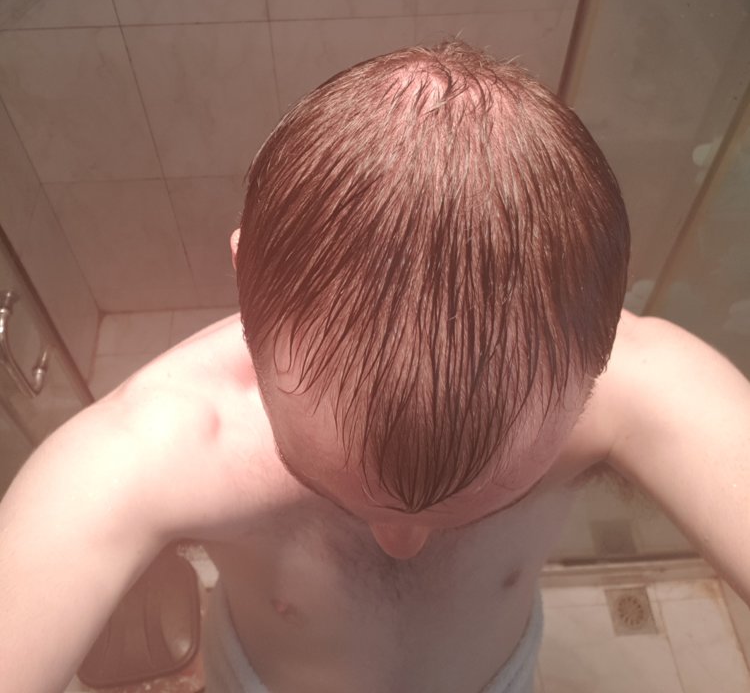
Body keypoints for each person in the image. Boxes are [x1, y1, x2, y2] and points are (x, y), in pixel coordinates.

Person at [1, 40, 748, 693]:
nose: (402, 543)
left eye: (477, 503)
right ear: (245, 283)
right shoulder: (163, 443)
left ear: (598, 350)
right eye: (345, 493)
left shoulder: (630, 389)